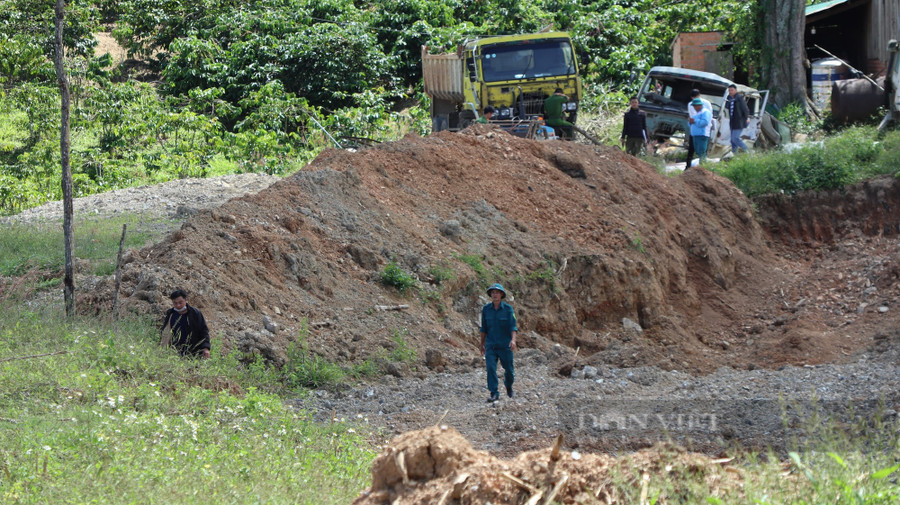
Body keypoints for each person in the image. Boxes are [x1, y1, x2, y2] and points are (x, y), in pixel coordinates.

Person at [479, 283, 517, 402]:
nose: (495, 295)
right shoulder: (486, 309)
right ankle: (494, 393)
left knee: (509, 370)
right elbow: (483, 328)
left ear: (501, 294)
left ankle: (509, 386)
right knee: (490, 368)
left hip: (505, 345)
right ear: (490, 295)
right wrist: (482, 344)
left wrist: (513, 340)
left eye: (497, 292)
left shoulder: (508, 309)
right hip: (491, 345)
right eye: (493, 292)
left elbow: (513, 326)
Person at [160, 289, 211, 358]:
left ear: (186, 300)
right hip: (176, 352)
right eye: (175, 303)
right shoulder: (171, 314)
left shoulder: (195, 313)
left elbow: (204, 330)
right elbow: (166, 331)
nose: (178, 305)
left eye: (180, 302)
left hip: (194, 352)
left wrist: (206, 348)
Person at [685, 89, 712, 166]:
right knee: (693, 149)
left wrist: (695, 121)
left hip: (703, 132)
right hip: (694, 131)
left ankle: (703, 168)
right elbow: (691, 117)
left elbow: (706, 121)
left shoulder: (706, 105)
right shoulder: (690, 104)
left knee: (702, 151)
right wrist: (691, 122)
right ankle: (688, 166)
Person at [725, 84, 750, 153]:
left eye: (732, 90)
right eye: (729, 90)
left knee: (735, 138)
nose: (730, 92)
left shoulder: (739, 98)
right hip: (732, 122)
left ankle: (748, 151)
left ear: (736, 90)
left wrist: (746, 118)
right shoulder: (729, 99)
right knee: (732, 141)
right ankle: (734, 155)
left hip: (739, 122)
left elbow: (746, 110)